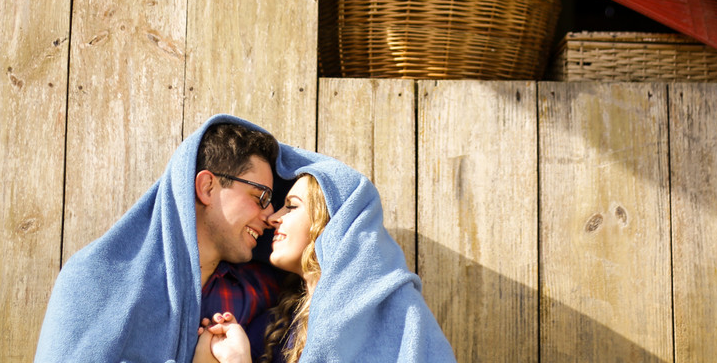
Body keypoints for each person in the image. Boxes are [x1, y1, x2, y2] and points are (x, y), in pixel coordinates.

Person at [34, 115, 285, 363]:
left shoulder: (260, 290)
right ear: (207, 187)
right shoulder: (94, 281)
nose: (270, 214)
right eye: (260, 196)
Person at [194, 156, 457, 363]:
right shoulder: (271, 331)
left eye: (292, 206)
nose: (273, 218)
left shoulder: (401, 314)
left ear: (331, 225)